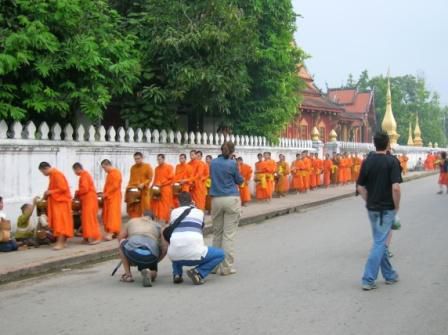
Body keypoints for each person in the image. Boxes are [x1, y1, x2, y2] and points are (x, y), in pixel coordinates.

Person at [356, 131, 401, 291]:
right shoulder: (392, 161)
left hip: (372, 208)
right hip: (386, 208)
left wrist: (369, 200)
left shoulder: (367, 161)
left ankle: (389, 275)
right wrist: (396, 206)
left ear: (374, 143)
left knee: (379, 242)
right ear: (388, 143)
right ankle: (368, 278)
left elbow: (360, 187)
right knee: (380, 243)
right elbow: (395, 188)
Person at [166, 192, 225, 285]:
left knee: (176, 243)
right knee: (221, 254)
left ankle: (177, 274)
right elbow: (201, 228)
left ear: (178, 202)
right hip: (195, 255)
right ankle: (199, 272)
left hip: (174, 255)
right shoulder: (199, 212)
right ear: (191, 201)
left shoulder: (173, 212)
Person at [210, 142, 244, 275]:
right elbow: (239, 180)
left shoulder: (212, 162)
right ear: (231, 152)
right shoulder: (232, 163)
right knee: (228, 235)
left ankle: (213, 266)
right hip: (230, 198)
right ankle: (226, 267)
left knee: (217, 233)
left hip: (216, 199)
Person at [118, 216, 166, 287]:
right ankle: (150, 273)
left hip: (134, 251)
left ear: (142, 216)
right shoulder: (158, 226)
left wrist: (127, 259)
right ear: (153, 219)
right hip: (151, 254)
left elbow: (120, 237)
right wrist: (157, 260)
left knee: (122, 243)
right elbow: (165, 247)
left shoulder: (132, 221)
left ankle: (128, 275)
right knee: (154, 271)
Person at [38, 162, 74, 250]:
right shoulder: (52, 175)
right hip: (58, 202)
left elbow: (63, 188)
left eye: (42, 172)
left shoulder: (57, 174)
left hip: (61, 203)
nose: (43, 174)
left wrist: (50, 192)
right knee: (61, 222)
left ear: (45, 168)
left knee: (60, 222)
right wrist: (47, 193)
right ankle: (63, 241)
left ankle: (60, 242)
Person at [73, 163, 102, 244]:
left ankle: (97, 237)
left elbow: (85, 189)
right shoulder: (84, 175)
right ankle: (87, 236)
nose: (75, 173)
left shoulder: (84, 176)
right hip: (86, 201)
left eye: (74, 171)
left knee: (91, 219)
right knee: (85, 219)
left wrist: (78, 192)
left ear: (77, 169)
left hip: (90, 201)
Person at [126, 152, 153, 218]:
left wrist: (144, 184)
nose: (137, 160)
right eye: (135, 159)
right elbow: (131, 179)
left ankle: (146, 222)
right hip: (135, 192)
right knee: (134, 207)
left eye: (138, 158)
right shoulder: (133, 167)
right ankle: (136, 221)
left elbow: (150, 178)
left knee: (145, 208)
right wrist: (129, 188)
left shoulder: (147, 166)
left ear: (142, 158)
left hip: (144, 191)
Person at [101, 159, 122, 241]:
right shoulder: (109, 174)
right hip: (109, 197)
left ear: (107, 165)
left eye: (104, 168)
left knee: (112, 215)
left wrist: (106, 194)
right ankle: (116, 232)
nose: (104, 170)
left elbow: (115, 186)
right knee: (108, 214)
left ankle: (111, 232)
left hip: (114, 197)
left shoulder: (116, 173)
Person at [150, 154, 174, 224]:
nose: (158, 161)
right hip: (157, 189)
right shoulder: (156, 168)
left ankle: (166, 219)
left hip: (166, 189)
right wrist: (152, 186)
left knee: (165, 205)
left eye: (160, 159)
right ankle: (158, 217)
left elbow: (171, 179)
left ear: (163, 159)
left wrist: (162, 183)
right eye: (157, 159)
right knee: (156, 203)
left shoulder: (169, 167)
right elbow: (155, 179)